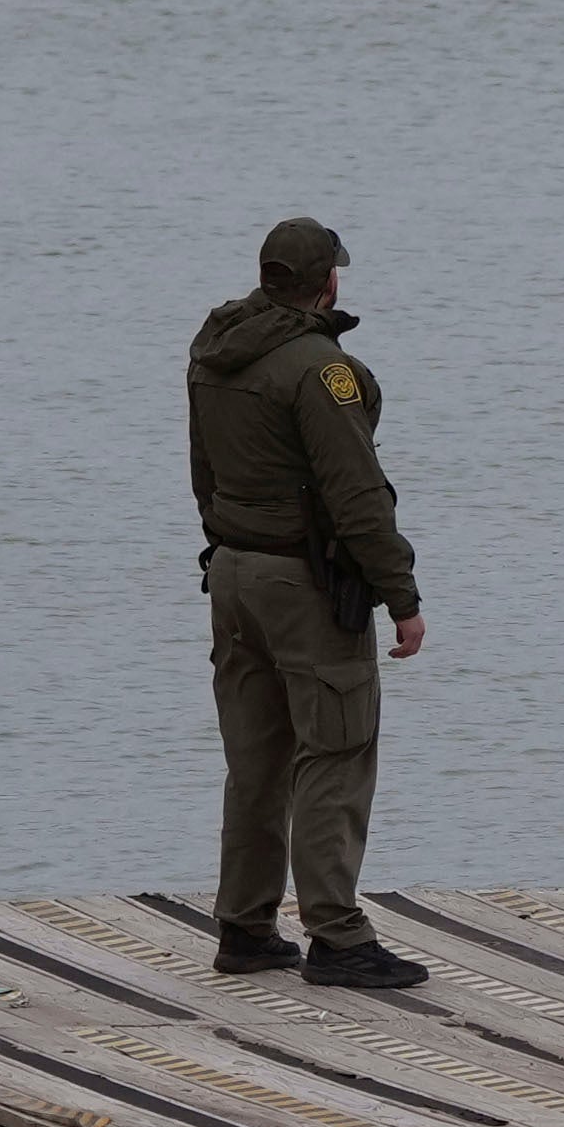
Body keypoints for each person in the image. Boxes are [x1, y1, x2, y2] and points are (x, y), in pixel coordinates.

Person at [187, 214, 429, 990]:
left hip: (230, 572)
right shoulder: (323, 371)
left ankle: (246, 926)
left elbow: (204, 471)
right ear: (327, 281)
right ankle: (337, 935)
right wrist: (402, 597)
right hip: (303, 583)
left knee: (256, 758)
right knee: (337, 750)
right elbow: (357, 495)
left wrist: (223, 544)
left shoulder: (213, 353)